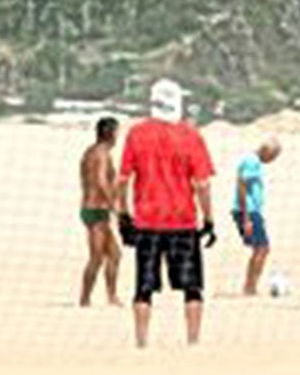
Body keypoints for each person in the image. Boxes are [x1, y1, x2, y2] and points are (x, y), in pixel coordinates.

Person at [117, 77, 216, 347]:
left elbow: (123, 179)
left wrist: (123, 216)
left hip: (147, 222)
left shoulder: (137, 134)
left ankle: (141, 342)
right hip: (182, 222)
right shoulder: (191, 136)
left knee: (144, 288)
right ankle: (193, 341)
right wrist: (208, 219)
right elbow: (202, 184)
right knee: (192, 288)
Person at [78, 116, 123, 307]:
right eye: (117, 132)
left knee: (113, 254)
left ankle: (110, 296)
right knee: (97, 256)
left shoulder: (89, 151)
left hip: (90, 207)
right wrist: (114, 205)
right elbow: (101, 180)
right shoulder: (102, 153)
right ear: (110, 133)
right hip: (97, 209)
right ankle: (85, 299)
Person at [231, 137, 282, 295]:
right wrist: (246, 218)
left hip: (252, 211)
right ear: (266, 151)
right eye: (273, 157)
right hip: (248, 211)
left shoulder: (252, 161)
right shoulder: (252, 162)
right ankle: (249, 287)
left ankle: (250, 286)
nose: (272, 161)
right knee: (262, 248)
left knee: (260, 249)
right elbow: (242, 186)